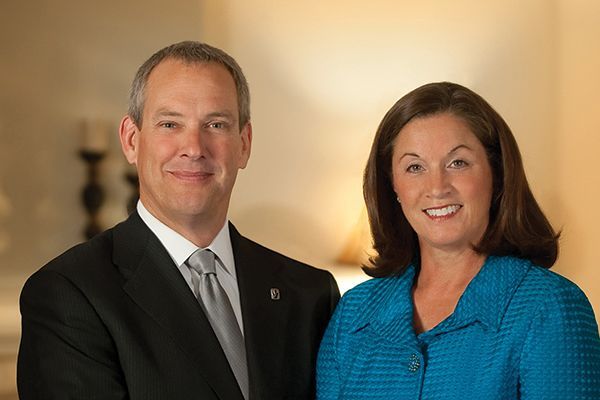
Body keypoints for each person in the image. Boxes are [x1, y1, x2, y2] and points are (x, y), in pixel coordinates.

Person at [18, 41, 340, 399]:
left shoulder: (310, 295)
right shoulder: (69, 294)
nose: (194, 147)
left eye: (216, 124)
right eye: (170, 124)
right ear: (131, 140)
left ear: (244, 144)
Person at [316, 82, 600, 399]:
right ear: (392, 186)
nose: (437, 187)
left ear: (498, 173)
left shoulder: (550, 307)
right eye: (414, 167)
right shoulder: (353, 315)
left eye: (458, 163)